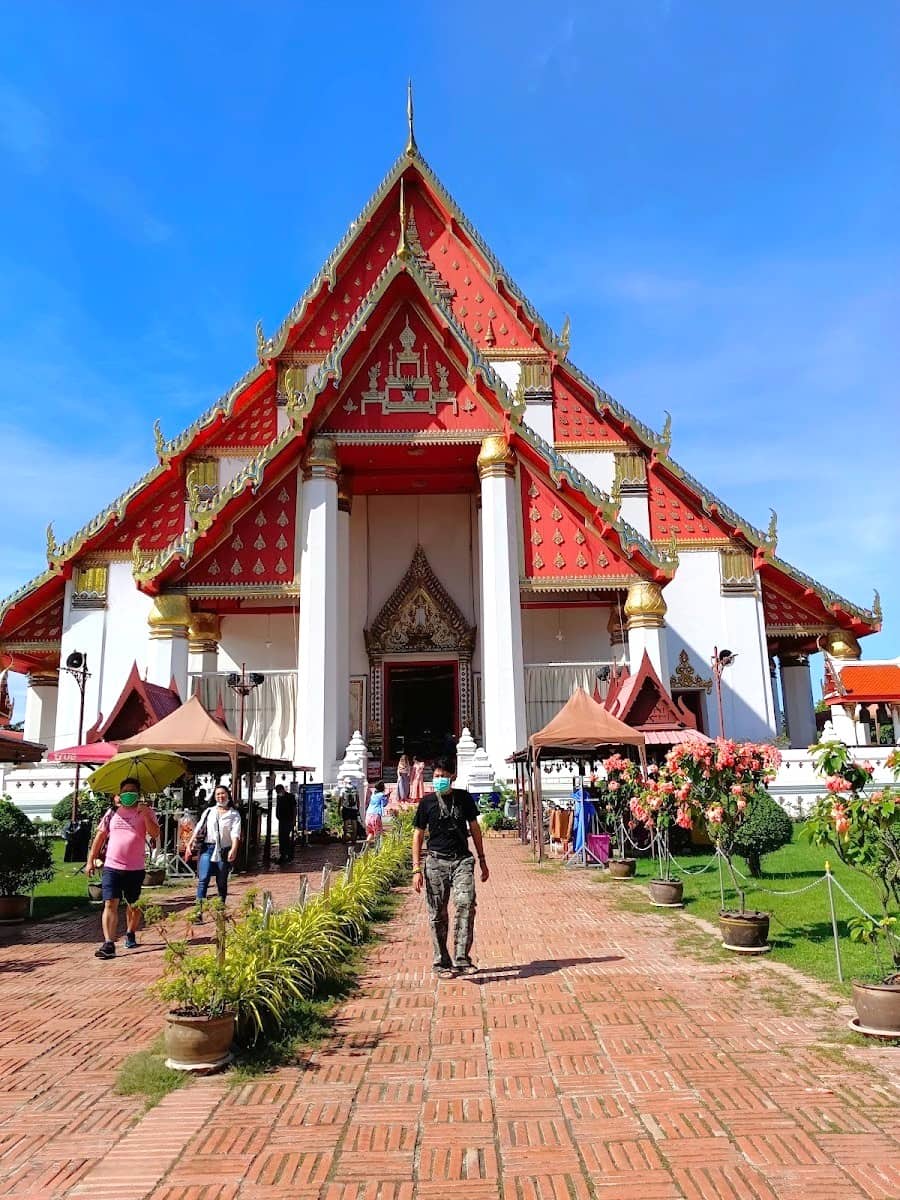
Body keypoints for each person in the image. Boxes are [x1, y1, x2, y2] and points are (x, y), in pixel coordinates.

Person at [412, 757, 489, 977]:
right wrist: (416, 869)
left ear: (452, 777)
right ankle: (441, 961)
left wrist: (482, 859)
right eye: (436, 776)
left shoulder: (463, 798)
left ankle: (462, 958)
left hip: (462, 861)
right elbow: (417, 835)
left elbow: (474, 829)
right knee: (437, 913)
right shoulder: (426, 803)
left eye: (443, 776)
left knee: (466, 904)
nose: (439, 780)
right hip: (435, 862)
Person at [86, 778, 160, 960]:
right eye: (125, 791)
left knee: (132, 904)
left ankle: (130, 932)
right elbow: (100, 837)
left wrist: (144, 815)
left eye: (132, 791)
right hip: (112, 865)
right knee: (110, 902)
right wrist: (91, 860)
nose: (128, 795)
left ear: (138, 793)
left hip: (135, 867)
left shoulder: (146, 811)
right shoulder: (112, 813)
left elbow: (155, 833)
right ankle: (109, 943)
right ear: (119, 794)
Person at [189, 785, 242, 915]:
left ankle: (220, 908)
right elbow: (199, 827)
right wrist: (190, 842)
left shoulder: (233, 814)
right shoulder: (209, 811)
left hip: (224, 850)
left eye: (222, 793)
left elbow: (235, 833)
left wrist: (234, 849)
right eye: (217, 794)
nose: (220, 796)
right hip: (208, 847)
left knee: (221, 880)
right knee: (203, 878)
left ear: (228, 795)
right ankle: (198, 911)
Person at [274, 783, 297, 864]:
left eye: (278, 791)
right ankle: (283, 855)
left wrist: (294, 819)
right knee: (281, 838)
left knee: (287, 838)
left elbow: (294, 808)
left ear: (282, 789)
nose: (278, 793)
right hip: (282, 820)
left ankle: (289, 855)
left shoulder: (290, 796)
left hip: (289, 820)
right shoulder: (279, 797)